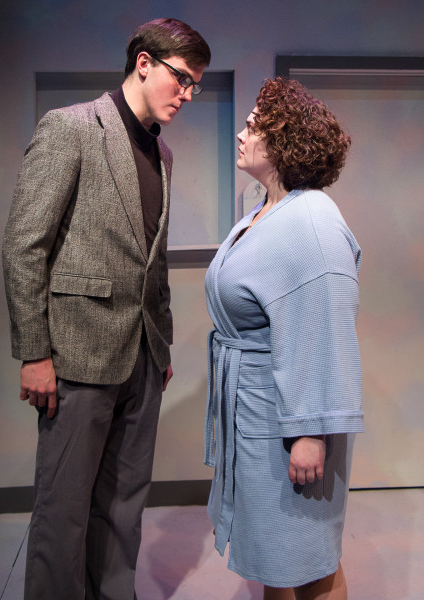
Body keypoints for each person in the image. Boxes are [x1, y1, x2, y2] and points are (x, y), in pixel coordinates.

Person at [2, 18, 210, 600]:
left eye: (194, 85)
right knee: (63, 510)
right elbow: (24, 246)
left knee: (123, 506)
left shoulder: (162, 153)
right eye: (182, 78)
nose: (187, 94)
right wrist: (34, 354)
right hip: (77, 355)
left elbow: (153, 261)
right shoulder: (70, 127)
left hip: (143, 359)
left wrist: (160, 345)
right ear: (144, 62)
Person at [204, 77, 363, 600]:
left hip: (290, 419)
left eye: (254, 127)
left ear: (284, 143)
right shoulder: (265, 210)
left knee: (309, 557)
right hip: (258, 411)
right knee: (276, 556)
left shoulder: (312, 220)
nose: (242, 133)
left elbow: (326, 329)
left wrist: (310, 432)